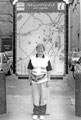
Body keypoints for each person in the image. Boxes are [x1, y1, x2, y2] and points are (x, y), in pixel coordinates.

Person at [27, 43, 52, 120]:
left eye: (42, 49)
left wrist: (48, 80)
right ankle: (36, 113)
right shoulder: (32, 58)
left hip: (44, 81)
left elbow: (49, 71)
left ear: (44, 50)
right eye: (39, 49)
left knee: (43, 97)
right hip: (34, 81)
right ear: (36, 50)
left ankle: (42, 113)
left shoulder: (47, 59)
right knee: (35, 96)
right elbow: (29, 69)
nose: (40, 51)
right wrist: (30, 79)